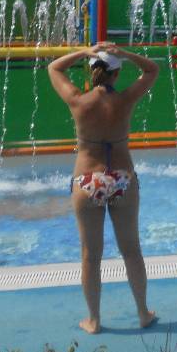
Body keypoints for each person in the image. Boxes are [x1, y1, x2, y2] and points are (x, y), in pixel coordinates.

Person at [47, 42, 160, 334]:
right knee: (131, 251)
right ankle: (143, 313)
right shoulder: (125, 100)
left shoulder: (77, 101)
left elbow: (54, 68)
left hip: (87, 180)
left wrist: (85, 51)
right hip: (122, 178)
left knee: (90, 255)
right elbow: (152, 69)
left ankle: (94, 320)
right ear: (116, 73)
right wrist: (126, 54)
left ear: (92, 71)